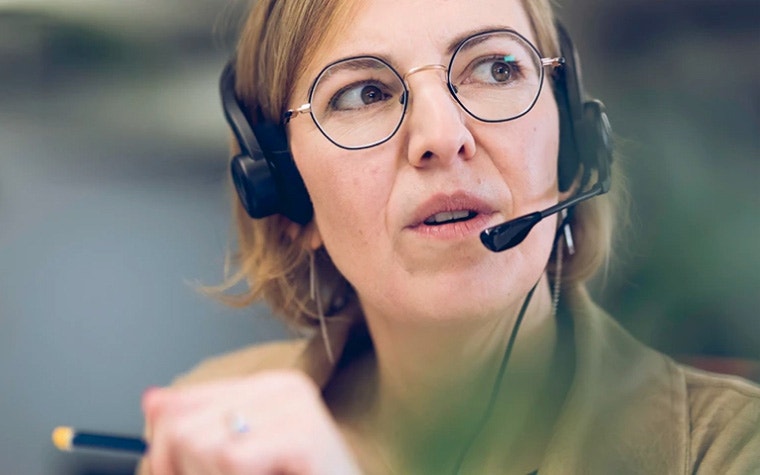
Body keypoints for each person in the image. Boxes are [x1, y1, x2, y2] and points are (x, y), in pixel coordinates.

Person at [138, 0, 760, 473]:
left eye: (496, 67)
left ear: (569, 142)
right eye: (365, 93)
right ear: (285, 190)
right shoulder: (217, 427)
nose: (441, 134)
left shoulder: (732, 449)